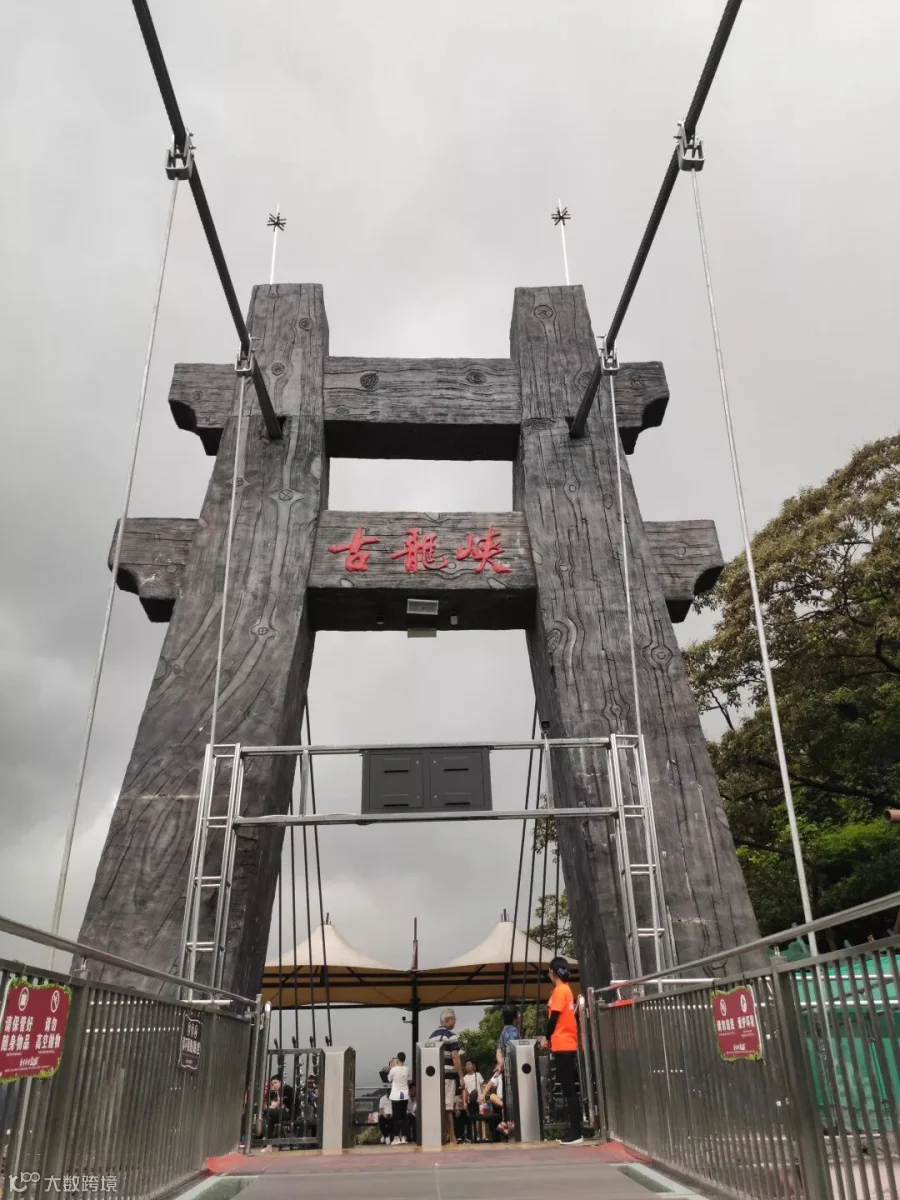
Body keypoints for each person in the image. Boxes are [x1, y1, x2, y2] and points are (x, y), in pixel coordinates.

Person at [542, 955, 583, 1145]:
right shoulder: (566, 989)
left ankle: (576, 1132)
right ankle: (574, 1129)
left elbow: (553, 1018)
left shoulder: (560, 991)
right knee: (568, 1089)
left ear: (552, 972)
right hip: (566, 1042)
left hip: (563, 1043)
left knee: (568, 1089)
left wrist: (546, 1036)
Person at [430, 1007, 466, 1144]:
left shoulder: (432, 1036)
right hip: (449, 1076)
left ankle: (442, 1135)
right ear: (447, 1019)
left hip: (435, 1076)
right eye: (454, 1018)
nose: (455, 1021)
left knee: (440, 1106)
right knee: (448, 1107)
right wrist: (461, 1077)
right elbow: (455, 1056)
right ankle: (452, 1137)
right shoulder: (451, 1035)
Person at [388, 1051, 411, 1144]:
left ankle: (397, 1137)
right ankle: (404, 1137)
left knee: (396, 1117)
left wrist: (391, 1066)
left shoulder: (393, 1069)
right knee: (404, 1116)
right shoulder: (407, 1069)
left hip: (396, 1096)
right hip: (404, 1095)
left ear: (397, 1059)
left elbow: (389, 1079)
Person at [265, 1074, 294, 1139]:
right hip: (280, 1112)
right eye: (272, 1084)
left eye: (275, 1083)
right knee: (269, 1118)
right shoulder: (277, 1092)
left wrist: (268, 1108)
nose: (274, 1085)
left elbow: (276, 1104)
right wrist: (273, 1091)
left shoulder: (286, 1089)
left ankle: (269, 1139)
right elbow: (271, 1104)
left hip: (288, 1112)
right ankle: (269, 1140)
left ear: (280, 1082)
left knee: (267, 1112)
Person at [462, 1059, 484, 1142]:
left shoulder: (478, 1075)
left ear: (473, 1065)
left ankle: (483, 1136)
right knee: (472, 1118)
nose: (468, 1066)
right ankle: (474, 1135)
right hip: (471, 1101)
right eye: (466, 1065)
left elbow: (481, 1086)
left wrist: (483, 1097)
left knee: (481, 1117)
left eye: (469, 1064)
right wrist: (464, 1102)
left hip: (479, 1100)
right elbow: (464, 1091)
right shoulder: (464, 1078)